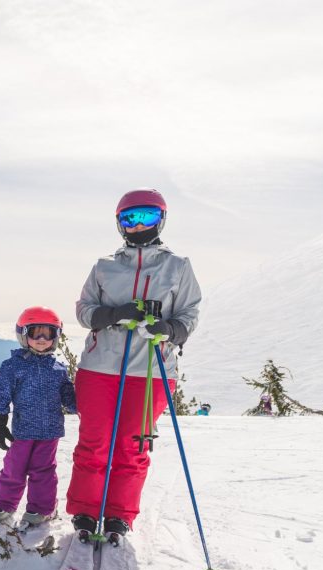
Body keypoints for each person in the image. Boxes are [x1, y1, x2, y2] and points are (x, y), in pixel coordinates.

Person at [66, 188, 201, 544]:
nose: (138, 225)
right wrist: (114, 314)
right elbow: (84, 310)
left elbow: (189, 313)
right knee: (94, 443)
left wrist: (169, 329)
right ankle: (85, 511)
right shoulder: (104, 266)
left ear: (161, 219)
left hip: (152, 370)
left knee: (133, 444)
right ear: (119, 223)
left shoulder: (178, 267)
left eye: (147, 217)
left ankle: (119, 516)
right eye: (130, 218)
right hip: (99, 368)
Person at [0, 307, 77, 532]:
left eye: (49, 334)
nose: (42, 340)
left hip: (49, 432)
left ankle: (41, 509)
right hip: (22, 431)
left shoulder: (58, 369)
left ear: (56, 337)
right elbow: (2, 393)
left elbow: (68, 399)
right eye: (36, 333)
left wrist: (84, 400)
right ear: (24, 334)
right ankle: (3, 507)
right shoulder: (13, 366)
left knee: (43, 471)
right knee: (13, 470)